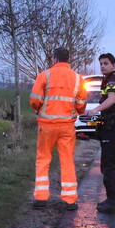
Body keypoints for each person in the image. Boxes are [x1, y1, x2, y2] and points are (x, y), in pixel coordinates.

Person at [29, 47, 86, 210]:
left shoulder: (44, 75)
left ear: (55, 58)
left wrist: (39, 109)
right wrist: (78, 111)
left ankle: (41, 198)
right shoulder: (78, 78)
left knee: (43, 159)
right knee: (67, 161)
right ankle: (69, 200)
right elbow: (81, 104)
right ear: (69, 59)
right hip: (67, 126)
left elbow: (34, 100)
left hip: (47, 125)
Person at [85, 52, 115, 214]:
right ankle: (111, 200)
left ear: (113, 65)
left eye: (106, 63)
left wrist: (95, 109)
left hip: (113, 125)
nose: (103, 66)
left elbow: (111, 100)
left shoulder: (111, 79)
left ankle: (112, 203)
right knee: (111, 164)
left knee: (109, 165)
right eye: (101, 64)